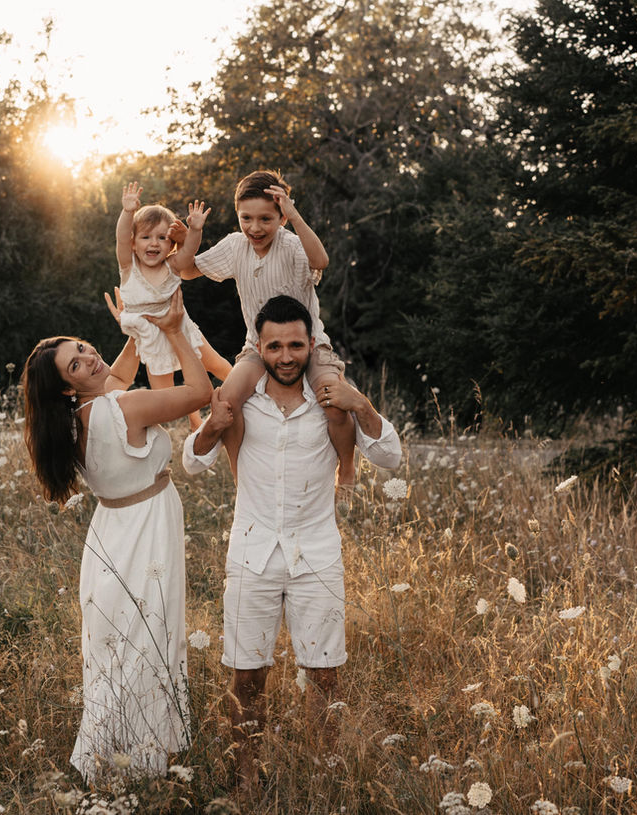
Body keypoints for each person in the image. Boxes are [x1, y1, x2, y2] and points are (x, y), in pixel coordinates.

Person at [182, 294, 402, 790]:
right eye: (275, 346)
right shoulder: (243, 399)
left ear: (311, 345)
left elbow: (390, 457)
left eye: (296, 345)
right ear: (259, 348)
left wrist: (362, 405)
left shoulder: (332, 399)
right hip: (252, 552)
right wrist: (212, 427)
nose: (286, 356)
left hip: (317, 553)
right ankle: (246, 778)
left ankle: (323, 777)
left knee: (324, 674)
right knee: (246, 674)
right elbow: (194, 462)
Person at [21, 290, 212, 783]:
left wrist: (136, 329)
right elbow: (198, 394)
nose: (89, 356)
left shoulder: (72, 421)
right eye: (77, 364)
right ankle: (139, 766)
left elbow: (118, 378)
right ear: (68, 387)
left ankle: (114, 759)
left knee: (117, 652)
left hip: (110, 535)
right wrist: (170, 331)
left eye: (83, 346)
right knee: (146, 644)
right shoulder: (125, 408)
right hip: (145, 530)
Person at [170, 170, 360, 492]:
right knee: (228, 400)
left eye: (266, 219)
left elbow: (322, 260)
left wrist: (295, 215)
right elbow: (186, 270)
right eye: (246, 218)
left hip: (307, 345)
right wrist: (188, 238)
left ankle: (347, 468)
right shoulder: (235, 245)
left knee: (333, 401)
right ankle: (242, 480)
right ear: (237, 216)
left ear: (281, 218)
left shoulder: (292, 245)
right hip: (257, 347)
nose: (255, 228)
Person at [115, 181, 232, 428]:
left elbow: (189, 251)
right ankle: (194, 420)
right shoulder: (128, 267)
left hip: (181, 328)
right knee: (165, 395)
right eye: (146, 237)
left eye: (161, 238)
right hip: (151, 337)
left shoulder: (173, 266)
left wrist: (195, 230)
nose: (154, 243)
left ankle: (245, 391)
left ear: (170, 245)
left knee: (214, 363)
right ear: (134, 243)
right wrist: (127, 212)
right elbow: (122, 237)